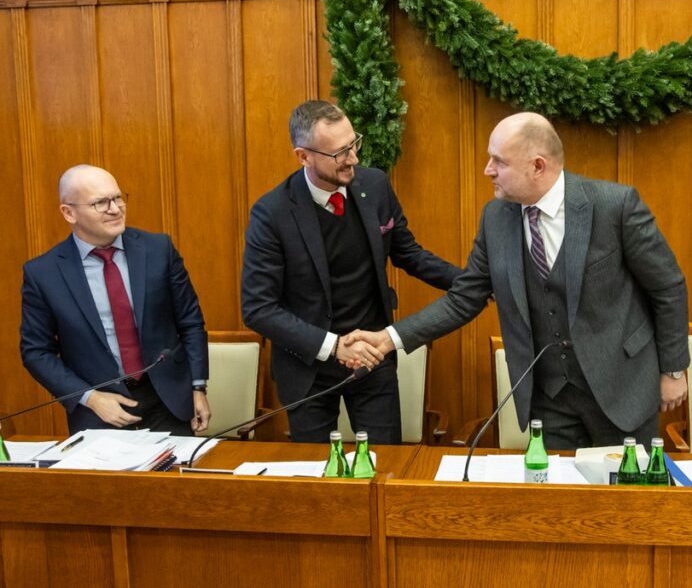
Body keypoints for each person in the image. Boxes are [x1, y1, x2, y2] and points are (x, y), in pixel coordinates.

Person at [346, 112, 690, 450]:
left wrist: (673, 370)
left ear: (537, 166)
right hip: (549, 398)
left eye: (499, 161)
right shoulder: (496, 218)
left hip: (622, 388)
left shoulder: (614, 206)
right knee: (556, 500)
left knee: (626, 502)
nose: (488, 170)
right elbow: (463, 299)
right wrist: (388, 340)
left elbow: (667, 287)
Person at [241, 100, 462, 444]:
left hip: (373, 357)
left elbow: (410, 255)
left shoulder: (373, 186)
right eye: (340, 152)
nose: (353, 159)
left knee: (383, 468)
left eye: (353, 144)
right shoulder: (271, 213)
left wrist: (472, 282)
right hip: (308, 368)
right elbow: (258, 309)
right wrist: (333, 347)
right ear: (303, 156)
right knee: (319, 482)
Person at [20, 165, 210, 436]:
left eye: (118, 198)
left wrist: (198, 387)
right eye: (100, 202)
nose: (115, 208)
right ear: (69, 212)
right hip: (99, 411)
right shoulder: (43, 273)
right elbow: (36, 351)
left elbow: (191, 323)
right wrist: (90, 398)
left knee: (171, 480)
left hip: (168, 402)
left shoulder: (158, 250)